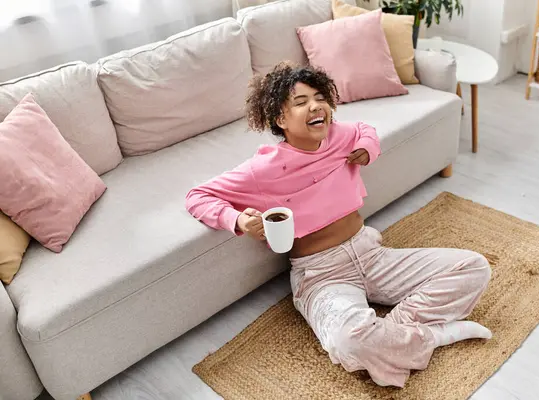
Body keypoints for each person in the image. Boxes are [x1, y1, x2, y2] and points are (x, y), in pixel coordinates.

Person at [185, 61, 492, 387]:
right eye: (300, 102)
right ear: (280, 119)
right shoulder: (262, 171)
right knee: (350, 342)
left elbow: (364, 130)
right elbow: (197, 196)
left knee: (474, 267)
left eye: (320, 97)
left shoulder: (339, 137)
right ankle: (435, 335)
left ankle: (396, 333)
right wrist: (238, 219)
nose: (316, 106)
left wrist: (367, 148)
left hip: (371, 253)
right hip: (321, 274)